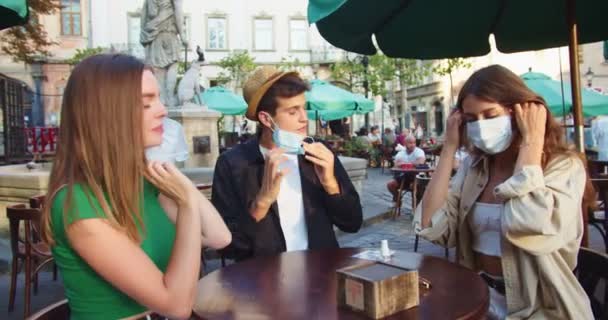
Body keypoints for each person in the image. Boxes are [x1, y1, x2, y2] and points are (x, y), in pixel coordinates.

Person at [40, 54, 231, 320]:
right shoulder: (80, 204)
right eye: (146, 104)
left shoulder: (145, 182)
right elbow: (176, 306)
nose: (163, 110)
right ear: (107, 116)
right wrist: (186, 203)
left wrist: (171, 172)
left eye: (159, 99)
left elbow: (219, 237)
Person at [414, 65, 594, 319]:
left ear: (520, 112)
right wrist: (448, 149)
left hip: (542, 308)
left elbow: (528, 224)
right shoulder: (474, 168)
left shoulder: (563, 167)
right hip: (479, 300)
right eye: (471, 119)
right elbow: (432, 227)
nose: (481, 126)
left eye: (490, 114)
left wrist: (532, 140)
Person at [211, 66, 363, 261]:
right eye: (293, 112)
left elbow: (352, 223)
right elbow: (228, 248)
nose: (304, 118)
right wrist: (262, 202)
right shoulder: (233, 163)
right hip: (263, 283)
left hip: (320, 275)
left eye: (303, 108)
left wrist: (330, 184)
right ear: (266, 118)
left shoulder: (317, 152)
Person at [386, 135, 426, 202]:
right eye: (410, 143)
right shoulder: (401, 153)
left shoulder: (419, 151)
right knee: (390, 185)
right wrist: (413, 164)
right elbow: (396, 165)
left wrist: (404, 164)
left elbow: (420, 162)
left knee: (416, 187)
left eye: (414, 143)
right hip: (403, 177)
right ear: (405, 144)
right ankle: (398, 199)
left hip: (416, 178)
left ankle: (416, 207)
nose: (413, 145)